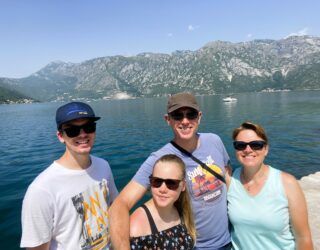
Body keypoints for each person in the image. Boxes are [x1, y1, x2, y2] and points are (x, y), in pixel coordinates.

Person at [110, 92, 232, 250]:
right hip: (197, 246)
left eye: (191, 114)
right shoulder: (160, 160)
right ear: (168, 119)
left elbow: (227, 178)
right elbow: (120, 204)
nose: (185, 121)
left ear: (199, 117)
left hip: (230, 239)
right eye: (177, 115)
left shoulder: (214, 140)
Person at [20, 102, 118, 250]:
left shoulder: (103, 166)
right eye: (72, 131)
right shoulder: (41, 190)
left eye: (89, 127)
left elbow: (114, 209)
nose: (83, 134)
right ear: (60, 136)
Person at [226, 121, 313, 250]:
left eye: (256, 145)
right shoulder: (231, 180)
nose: (248, 150)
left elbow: (303, 238)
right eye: (240, 145)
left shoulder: (287, 183)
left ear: (266, 149)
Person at [130, 154, 196, 249]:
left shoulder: (181, 210)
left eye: (171, 183)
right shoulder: (137, 227)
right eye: (157, 181)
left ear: (183, 186)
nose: (163, 189)